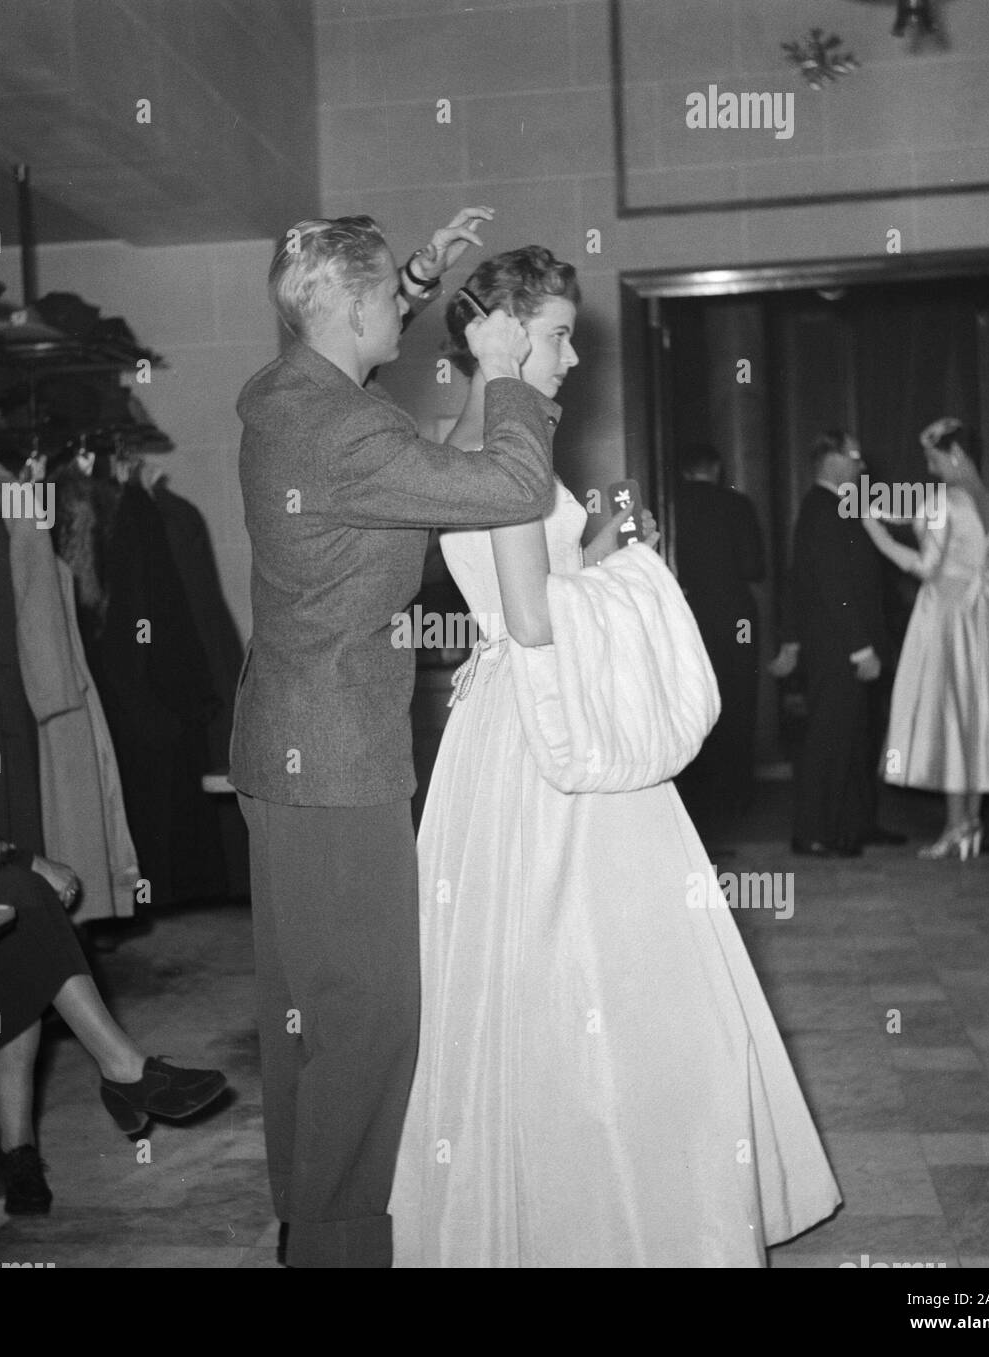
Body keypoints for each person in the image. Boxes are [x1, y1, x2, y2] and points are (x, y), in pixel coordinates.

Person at [389, 246, 841, 1267]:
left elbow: (525, 588)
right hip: (542, 735)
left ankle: (565, 1204)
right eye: (555, 335)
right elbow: (528, 614)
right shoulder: (503, 438)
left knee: (548, 981)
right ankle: (625, 1215)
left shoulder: (465, 430)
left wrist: (590, 545)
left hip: (498, 721)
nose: (572, 357)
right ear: (503, 329)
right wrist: (632, 576)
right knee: (602, 973)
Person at [229, 210, 560, 1269]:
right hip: (334, 757)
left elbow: (415, 462)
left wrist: (418, 272)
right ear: (349, 307)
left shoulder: (293, 396)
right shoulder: (346, 431)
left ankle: (307, 1229)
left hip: (286, 742)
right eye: (390, 301)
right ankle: (338, 1248)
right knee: (367, 1019)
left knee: (305, 1018)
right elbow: (510, 483)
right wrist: (503, 370)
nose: (400, 318)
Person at [0, 555, 228, 1215]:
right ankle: (122, 1069)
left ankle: (18, 1146)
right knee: (25, 900)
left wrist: (7, 854)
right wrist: (25, 862)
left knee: (19, 941)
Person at [861, 418, 989, 858]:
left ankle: (957, 825)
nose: (930, 466)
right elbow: (932, 520)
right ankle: (969, 824)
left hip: (946, 619)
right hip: (982, 620)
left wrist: (874, 530)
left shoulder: (946, 499)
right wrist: (881, 509)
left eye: (934, 457)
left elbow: (925, 566)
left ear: (956, 454)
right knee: (975, 719)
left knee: (949, 718)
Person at [770, 430, 891, 857]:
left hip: (842, 643)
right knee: (831, 738)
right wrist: (861, 648)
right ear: (830, 460)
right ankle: (814, 832)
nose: (862, 465)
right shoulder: (823, 509)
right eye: (854, 456)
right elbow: (832, 586)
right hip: (839, 647)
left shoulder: (836, 506)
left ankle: (858, 824)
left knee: (857, 738)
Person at [673, 442, 765, 835]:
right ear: (716, 468)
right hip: (734, 614)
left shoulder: (672, 503)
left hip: (687, 613)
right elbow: (754, 566)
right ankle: (737, 797)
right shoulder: (736, 505)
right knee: (738, 702)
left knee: (691, 700)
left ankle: (695, 797)